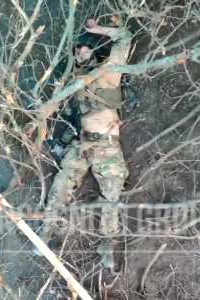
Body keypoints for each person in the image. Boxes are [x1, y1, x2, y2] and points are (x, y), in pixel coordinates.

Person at [41, 18, 132, 268]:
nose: (81, 53)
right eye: (77, 52)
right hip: (82, 145)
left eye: (85, 48)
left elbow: (126, 36)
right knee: (61, 184)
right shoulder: (75, 88)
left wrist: (99, 30)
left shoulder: (108, 73)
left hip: (108, 145)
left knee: (111, 195)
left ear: (94, 51)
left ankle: (107, 246)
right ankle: (47, 231)